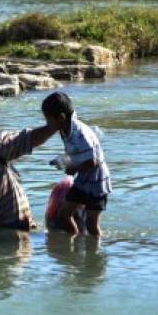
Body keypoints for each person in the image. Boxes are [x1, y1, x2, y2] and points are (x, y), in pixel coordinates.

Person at [42, 92, 111, 236]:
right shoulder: (65, 129)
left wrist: (73, 169)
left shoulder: (80, 133)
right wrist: (63, 161)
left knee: (91, 224)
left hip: (97, 182)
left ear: (61, 117)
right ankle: (73, 241)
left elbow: (93, 161)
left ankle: (96, 254)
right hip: (83, 179)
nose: (47, 123)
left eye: (48, 119)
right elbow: (76, 154)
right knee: (64, 214)